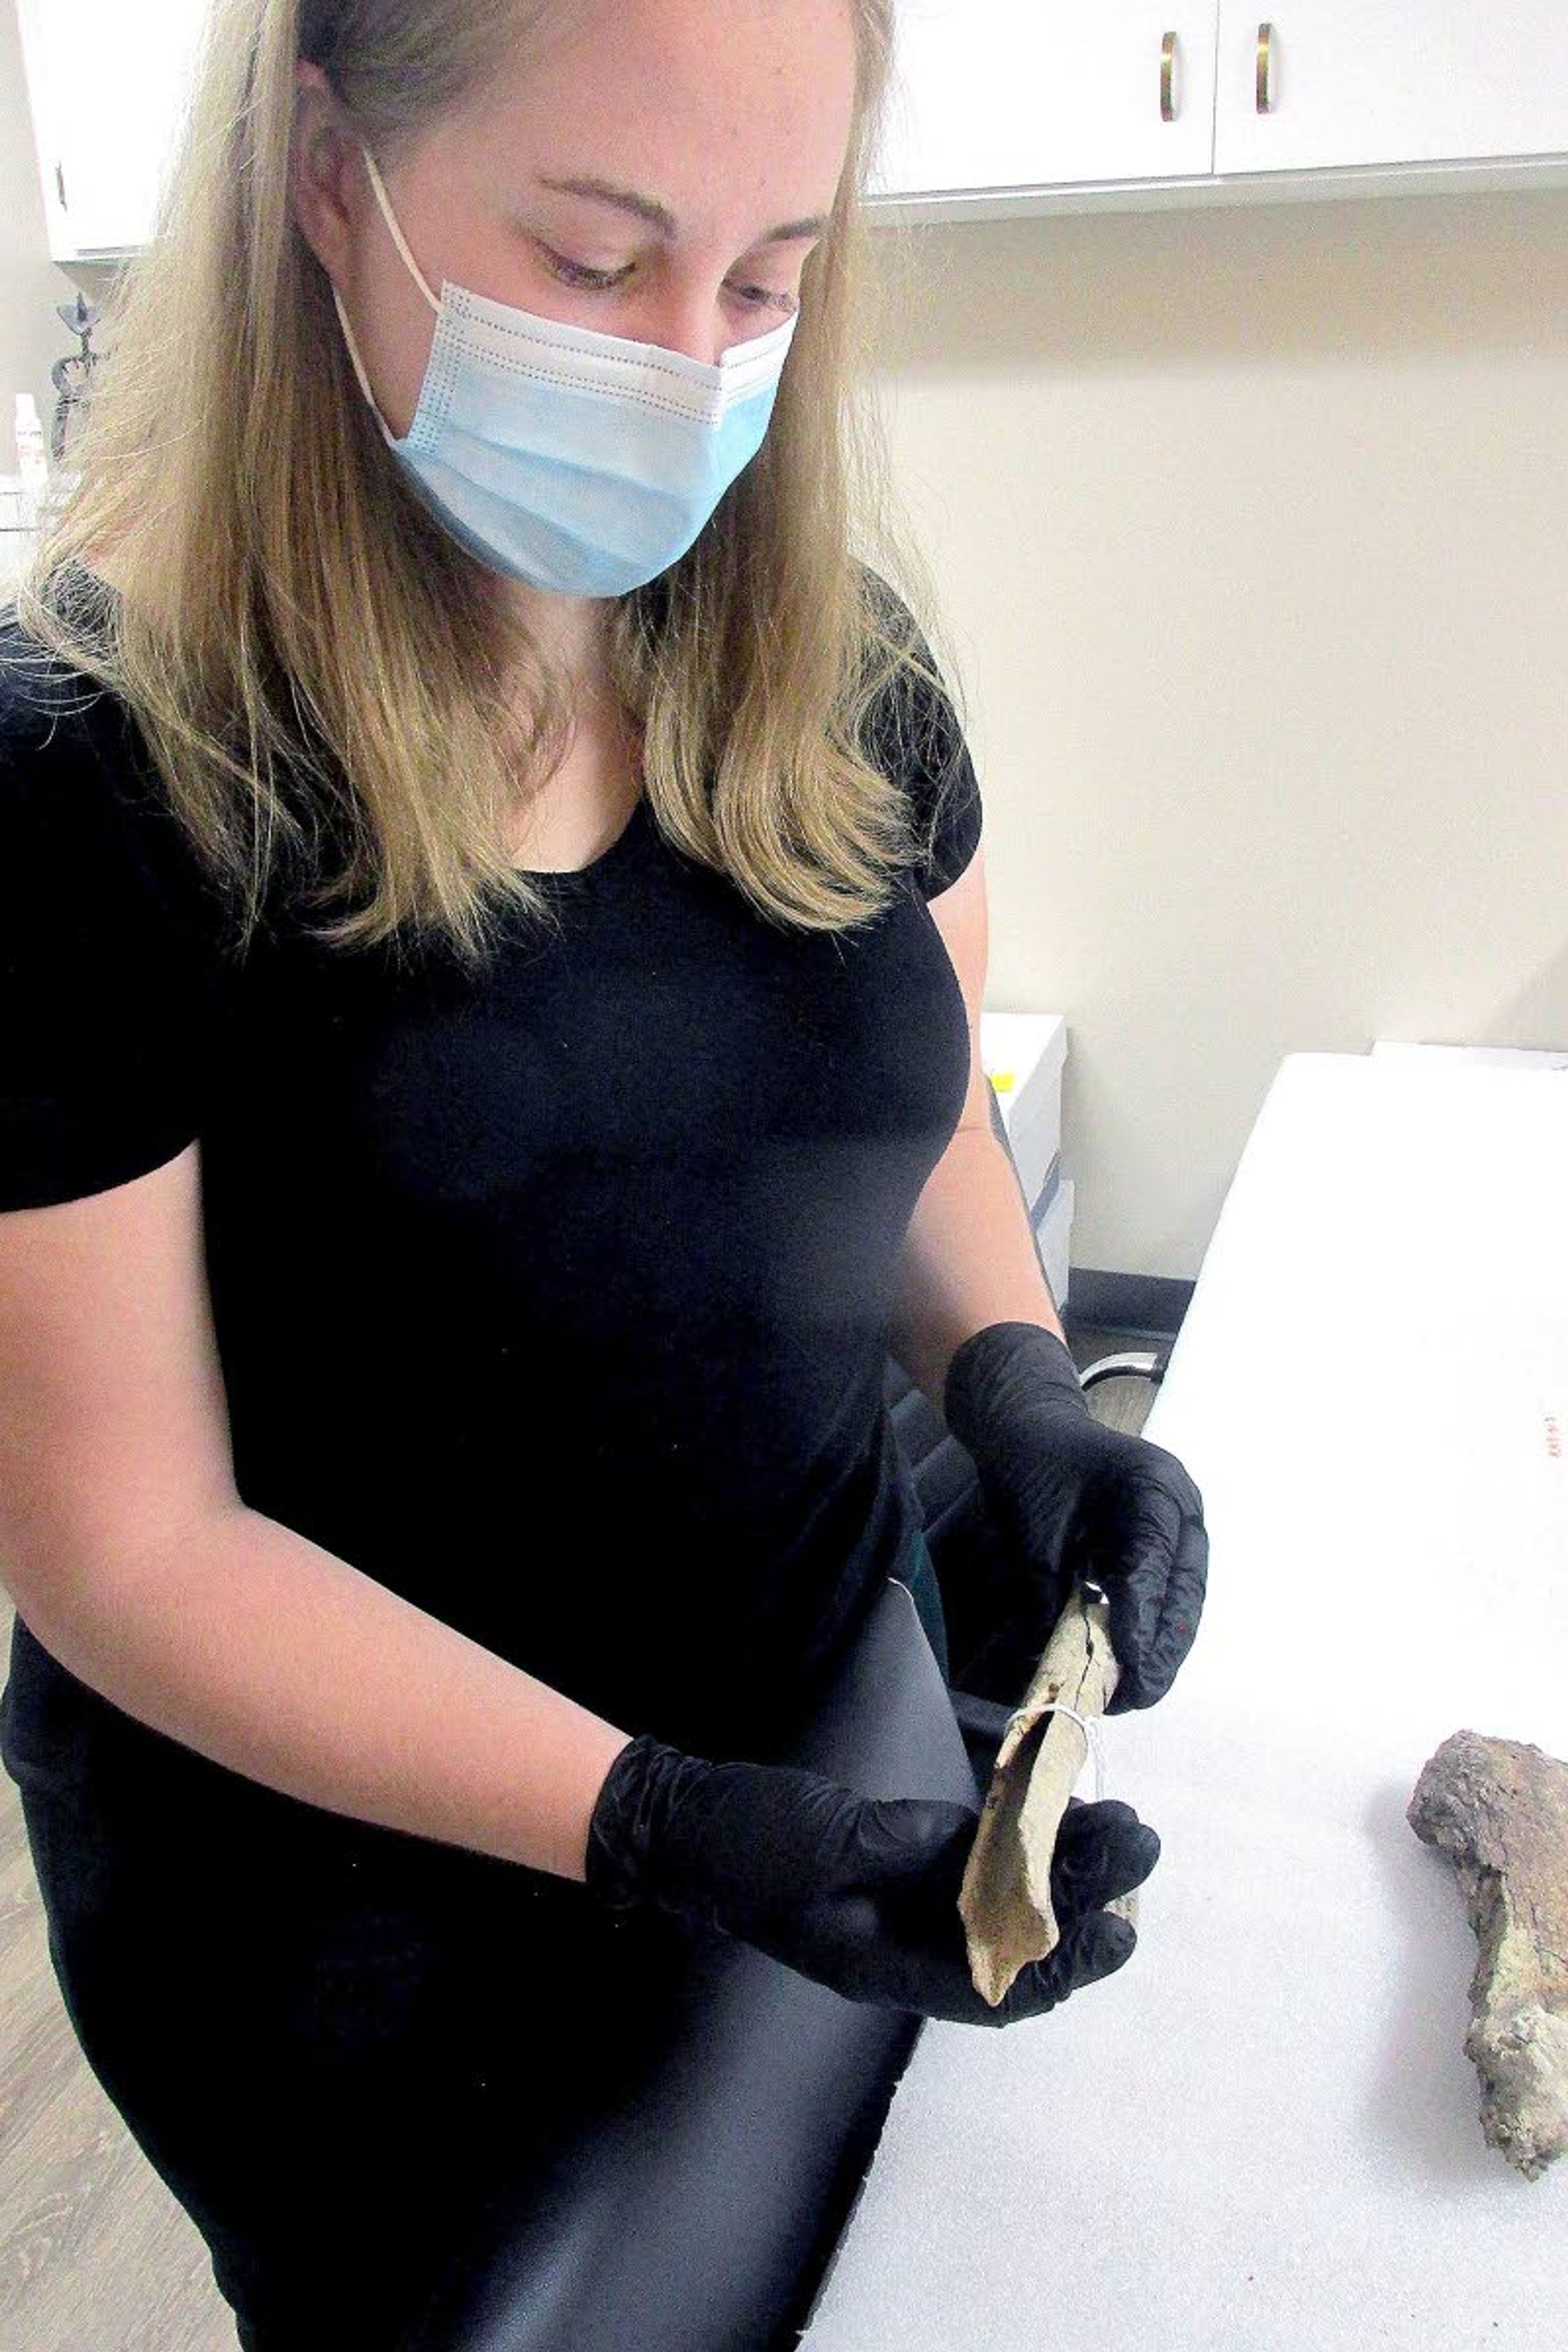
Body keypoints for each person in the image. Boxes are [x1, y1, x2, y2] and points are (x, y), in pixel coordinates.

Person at [0, 1, 1207, 2343]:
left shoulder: (822, 661)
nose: (688, 368)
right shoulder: (90, 785)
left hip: (818, 1737)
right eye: (594, 259)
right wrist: (654, 1825)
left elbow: (906, 1099)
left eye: (765, 282)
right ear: (329, 176)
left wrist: (1023, 1385)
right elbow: (119, 1548)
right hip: (366, 1946)